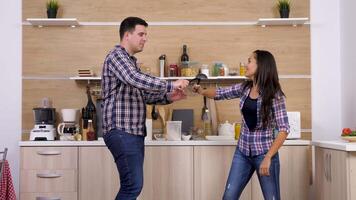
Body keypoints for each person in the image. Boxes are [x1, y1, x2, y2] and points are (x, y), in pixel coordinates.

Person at [101, 16, 189, 200]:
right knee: (133, 186)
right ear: (127, 35)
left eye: (145, 35)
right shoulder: (116, 56)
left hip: (132, 132)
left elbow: (144, 94)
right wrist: (171, 84)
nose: (145, 38)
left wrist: (169, 97)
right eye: (141, 34)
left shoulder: (131, 62)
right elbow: (134, 78)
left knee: (132, 186)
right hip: (121, 130)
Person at [193, 50, 289, 200]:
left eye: (250, 61)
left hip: (264, 153)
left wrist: (269, 157)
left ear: (261, 66)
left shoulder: (275, 95)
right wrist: (201, 90)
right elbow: (220, 93)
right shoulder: (244, 88)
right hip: (243, 152)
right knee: (229, 197)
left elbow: (284, 129)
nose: (246, 64)